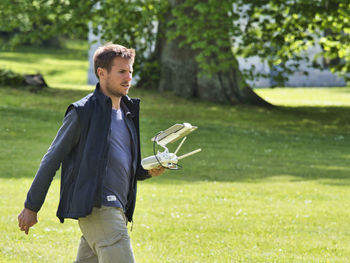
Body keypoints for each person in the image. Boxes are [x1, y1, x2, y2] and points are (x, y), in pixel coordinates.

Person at [17, 43, 165, 262]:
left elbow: (120, 161)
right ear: (101, 73)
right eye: (121, 72)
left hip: (119, 209)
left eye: (130, 72)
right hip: (98, 207)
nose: (128, 78)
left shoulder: (128, 112)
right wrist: (31, 206)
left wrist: (147, 171)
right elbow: (52, 159)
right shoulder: (83, 112)